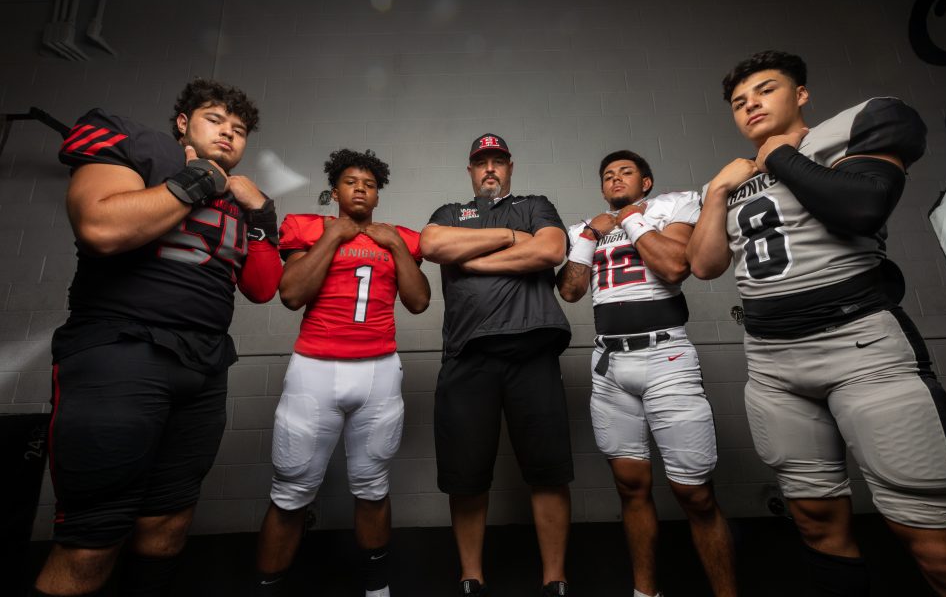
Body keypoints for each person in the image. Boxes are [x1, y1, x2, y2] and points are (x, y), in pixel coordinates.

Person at [687, 50, 946, 595]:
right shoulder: (730, 181)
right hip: (771, 362)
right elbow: (704, 264)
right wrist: (716, 192)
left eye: (765, 90)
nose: (751, 105)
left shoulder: (854, 126)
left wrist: (778, 155)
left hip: (858, 344)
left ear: (801, 93)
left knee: (929, 534)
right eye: (739, 102)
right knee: (813, 520)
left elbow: (862, 207)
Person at [36, 79, 282, 596]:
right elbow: (99, 228)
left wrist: (263, 216)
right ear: (183, 123)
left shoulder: (240, 199)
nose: (228, 133)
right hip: (122, 350)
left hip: (204, 367)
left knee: (167, 525)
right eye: (215, 120)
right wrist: (199, 180)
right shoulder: (136, 143)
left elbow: (261, 289)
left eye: (239, 130)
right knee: (91, 541)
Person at [556, 150, 737, 597]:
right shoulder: (587, 227)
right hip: (609, 363)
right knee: (630, 487)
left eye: (626, 172)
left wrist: (633, 220)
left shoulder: (672, 206)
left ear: (647, 181)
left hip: (665, 357)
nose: (615, 179)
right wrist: (591, 235)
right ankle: (645, 592)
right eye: (608, 175)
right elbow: (571, 291)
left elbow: (675, 266)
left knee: (695, 493)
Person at [254, 149, 430, 597]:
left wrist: (395, 245)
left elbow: (419, 302)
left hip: (379, 371)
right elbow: (291, 294)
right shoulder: (309, 228)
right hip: (315, 369)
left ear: (378, 195)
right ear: (334, 191)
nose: (360, 189)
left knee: (373, 486)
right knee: (291, 489)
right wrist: (333, 237)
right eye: (351, 182)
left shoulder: (398, 238)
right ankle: (269, 586)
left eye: (369, 184)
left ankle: (377, 588)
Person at [420, 134, 574, 597]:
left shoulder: (535, 205)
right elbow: (432, 244)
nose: (490, 168)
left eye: (498, 161)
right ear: (471, 170)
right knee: (466, 476)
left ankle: (554, 578)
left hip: (533, 353)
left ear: (510, 167)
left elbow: (550, 250)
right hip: (468, 356)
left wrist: (475, 262)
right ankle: (472, 575)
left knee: (548, 472)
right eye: (482, 162)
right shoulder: (451, 212)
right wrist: (509, 238)